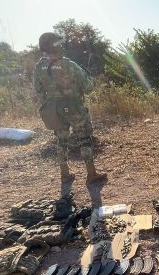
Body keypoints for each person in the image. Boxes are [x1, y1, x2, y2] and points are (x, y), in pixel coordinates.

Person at [33, 32, 107, 185]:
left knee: (61, 140)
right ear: (55, 46)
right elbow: (88, 88)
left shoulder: (39, 67)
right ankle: (91, 174)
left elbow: (39, 92)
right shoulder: (70, 65)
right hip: (74, 107)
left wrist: (52, 102)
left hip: (55, 109)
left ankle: (64, 174)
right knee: (84, 138)